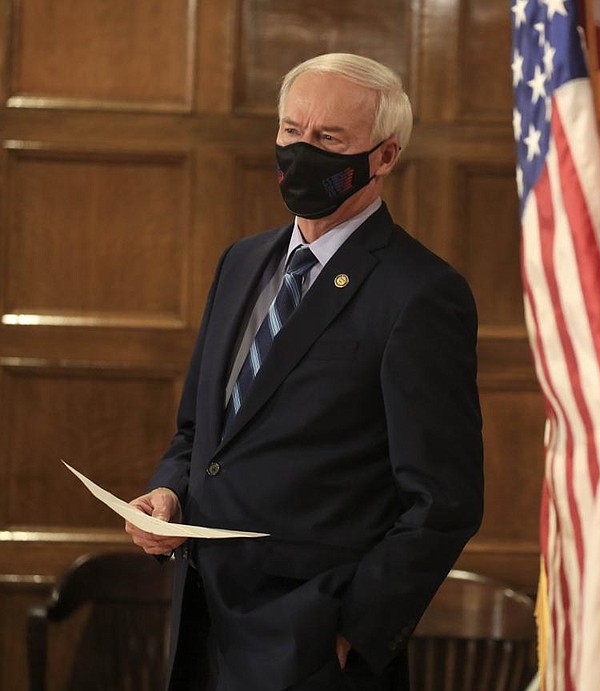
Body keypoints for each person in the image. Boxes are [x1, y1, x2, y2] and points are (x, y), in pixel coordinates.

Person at [126, 52, 483, 691]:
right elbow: (199, 435)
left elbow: (444, 502)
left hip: (314, 645)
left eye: (329, 139)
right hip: (203, 623)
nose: (301, 152)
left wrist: (350, 633)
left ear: (384, 157)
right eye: (291, 132)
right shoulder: (242, 262)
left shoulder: (421, 293)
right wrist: (168, 493)